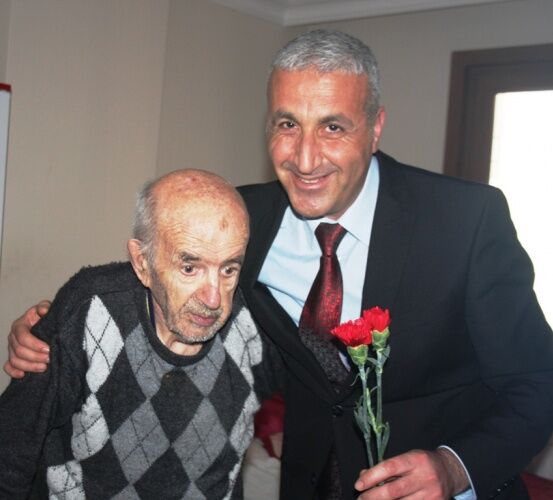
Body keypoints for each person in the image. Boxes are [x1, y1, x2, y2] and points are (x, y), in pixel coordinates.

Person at [6, 30, 553, 500]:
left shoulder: (465, 221)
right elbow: (159, 277)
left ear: (375, 127)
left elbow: (538, 382)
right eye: (287, 124)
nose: (305, 159)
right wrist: (49, 329)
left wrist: (453, 467)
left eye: (333, 127)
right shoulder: (246, 218)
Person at [0, 169, 281, 499]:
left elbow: (326, 396)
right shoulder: (91, 309)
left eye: (229, 269)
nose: (213, 299)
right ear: (141, 262)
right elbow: (11, 449)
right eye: (189, 268)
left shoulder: (257, 325)